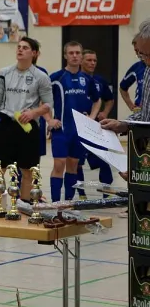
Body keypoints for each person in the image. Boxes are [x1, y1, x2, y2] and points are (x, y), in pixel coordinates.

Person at [0, 37, 53, 203]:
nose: (20, 49)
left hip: (28, 127)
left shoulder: (41, 76)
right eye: (19, 47)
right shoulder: (3, 73)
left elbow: (48, 104)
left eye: (25, 47)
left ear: (34, 53)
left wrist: (33, 113)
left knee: (28, 170)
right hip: (6, 126)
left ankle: (24, 205)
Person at [46, 42, 101, 202]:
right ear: (65, 56)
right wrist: (49, 119)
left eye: (77, 53)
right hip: (61, 130)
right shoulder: (56, 78)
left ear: (81, 56)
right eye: (71, 53)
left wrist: (91, 118)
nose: (75, 56)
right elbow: (43, 101)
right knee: (59, 165)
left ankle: (68, 203)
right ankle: (55, 203)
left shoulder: (87, 79)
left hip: (79, 131)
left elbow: (97, 101)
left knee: (73, 166)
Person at [102, 19, 150, 183]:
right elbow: (145, 115)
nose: (145, 60)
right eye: (141, 54)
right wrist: (123, 124)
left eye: (147, 55)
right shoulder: (147, 70)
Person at [79, 49, 114, 198]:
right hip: (79, 126)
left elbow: (110, 99)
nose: (92, 63)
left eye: (94, 60)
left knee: (104, 158)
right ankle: (81, 194)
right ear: (81, 61)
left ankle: (106, 192)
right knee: (77, 161)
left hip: (95, 127)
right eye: (89, 60)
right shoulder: (75, 79)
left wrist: (105, 112)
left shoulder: (100, 81)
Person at [119, 34, 146, 113]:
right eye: (136, 51)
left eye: (140, 50)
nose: (138, 54)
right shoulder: (137, 67)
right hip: (140, 111)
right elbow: (122, 88)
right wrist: (131, 106)